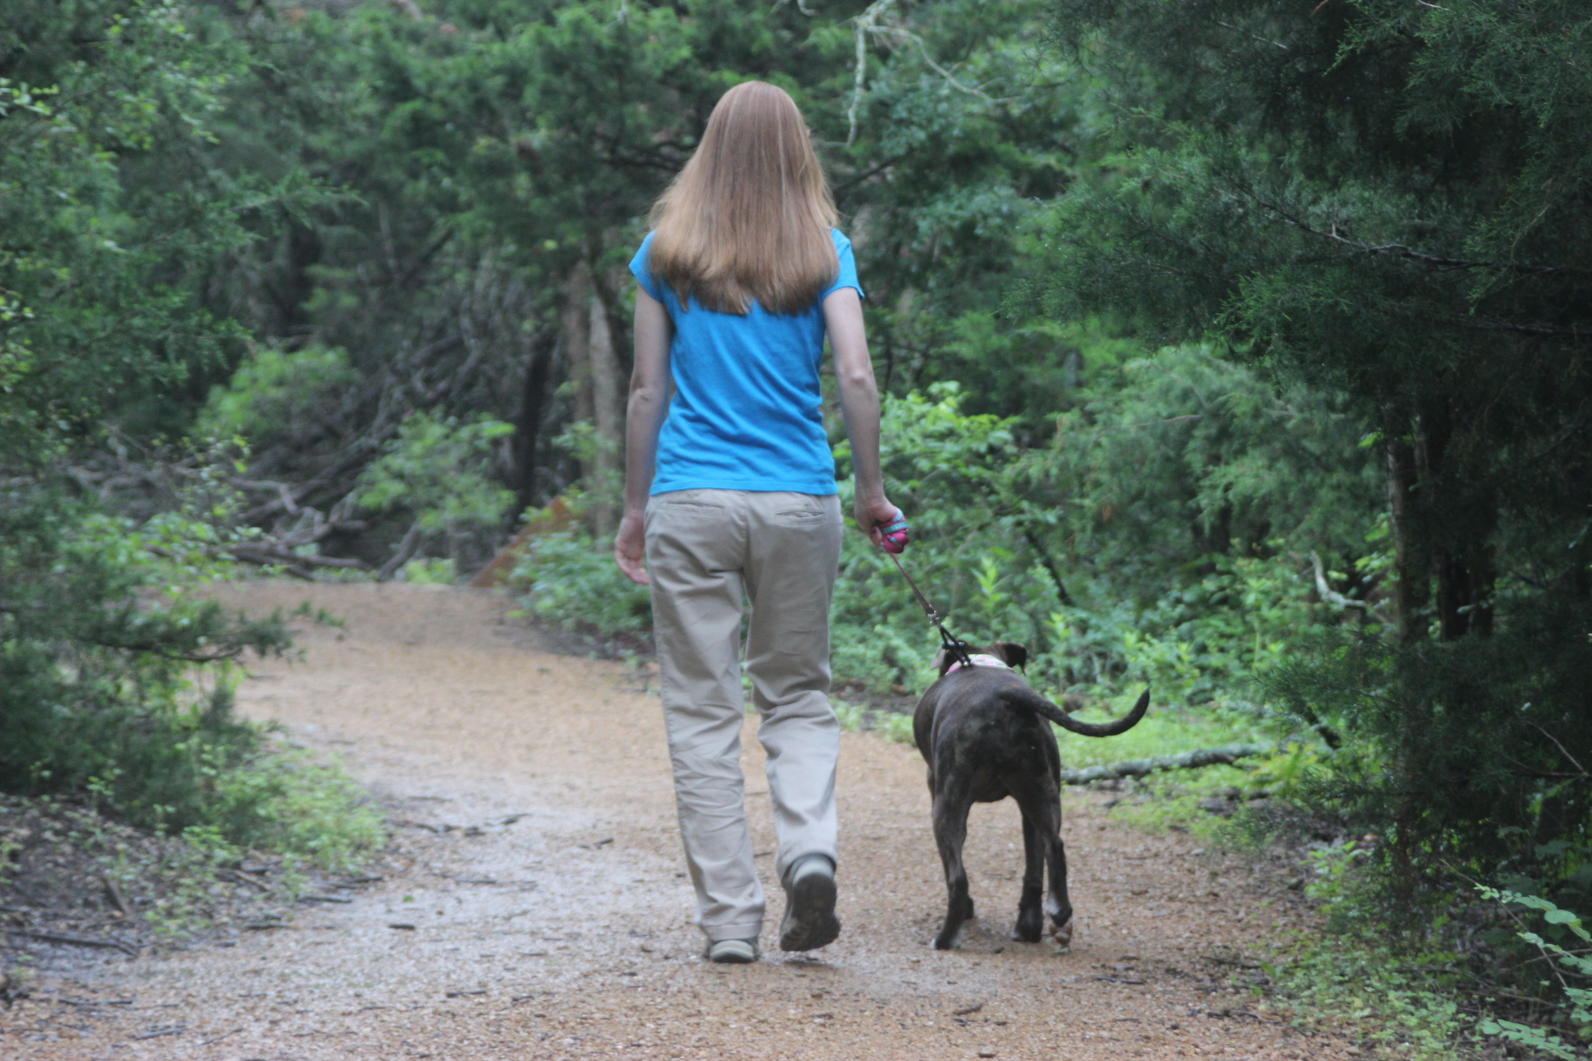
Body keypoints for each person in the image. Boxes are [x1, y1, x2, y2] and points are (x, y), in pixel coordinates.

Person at [613, 80, 907, 965]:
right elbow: (855, 376)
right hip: (796, 501)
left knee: (702, 711)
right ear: (795, 151)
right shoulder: (826, 250)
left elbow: (645, 391)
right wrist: (871, 492)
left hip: (693, 501)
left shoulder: (666, 252)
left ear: (709, 151)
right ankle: (809, 849)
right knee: (798, 693)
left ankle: (731, 921)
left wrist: (634, 509)